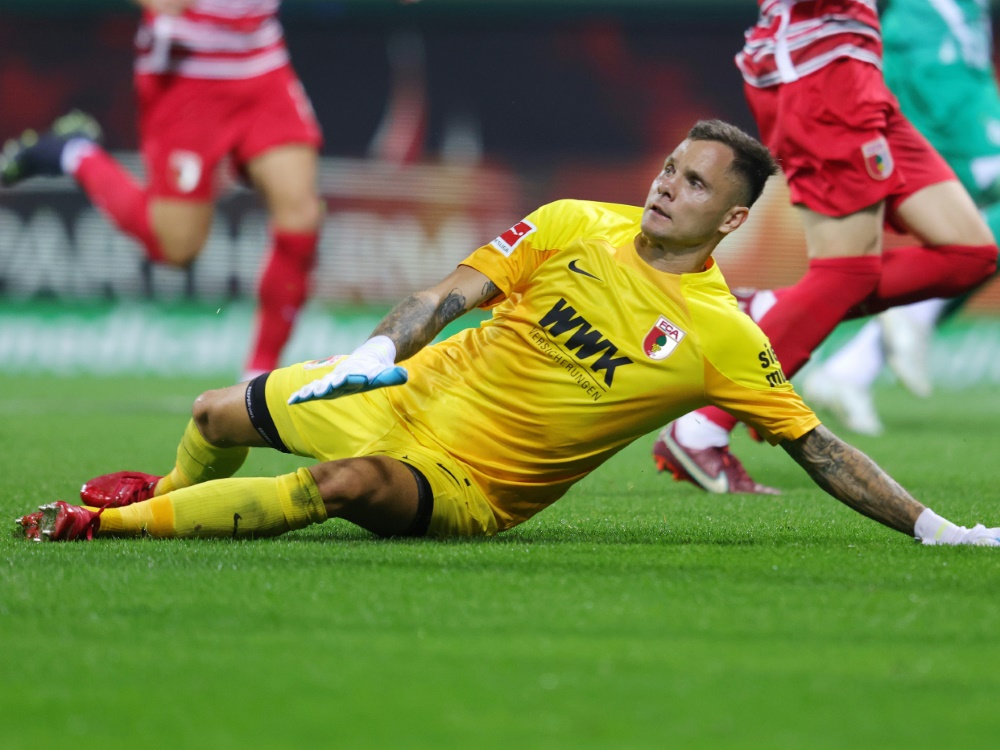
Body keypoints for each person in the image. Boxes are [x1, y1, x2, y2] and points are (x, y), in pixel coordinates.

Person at [15, 120, 999, 547]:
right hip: (395, 394)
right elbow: (448, 293)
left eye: (695, 184)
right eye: (668, 167)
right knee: (211, 414)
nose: (666, 184)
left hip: (469, 485)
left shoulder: (722, 339)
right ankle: (168, 494)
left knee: (342, 488)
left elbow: (818, 449)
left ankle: (100, 527)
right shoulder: (573, 219)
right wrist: (373, 355)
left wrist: (934, 525)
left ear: (733, 222)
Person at [653, 0, 999, 492]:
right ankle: (700, 428)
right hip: (821, 72)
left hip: (854, 67)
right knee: (846, 272)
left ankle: (777, 309)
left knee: (969, 253)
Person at [0, 0, 324, 378]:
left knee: (301, 216)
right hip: (186, 74)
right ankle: (73, 153)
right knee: (177, 247)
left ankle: (256, 378)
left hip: (262, 65)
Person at [799, 0, 1000, 435]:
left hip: (954, 55)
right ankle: (905, 321)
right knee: (970, 237)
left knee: (973, 244)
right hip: (934, 50)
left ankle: (852, 369)